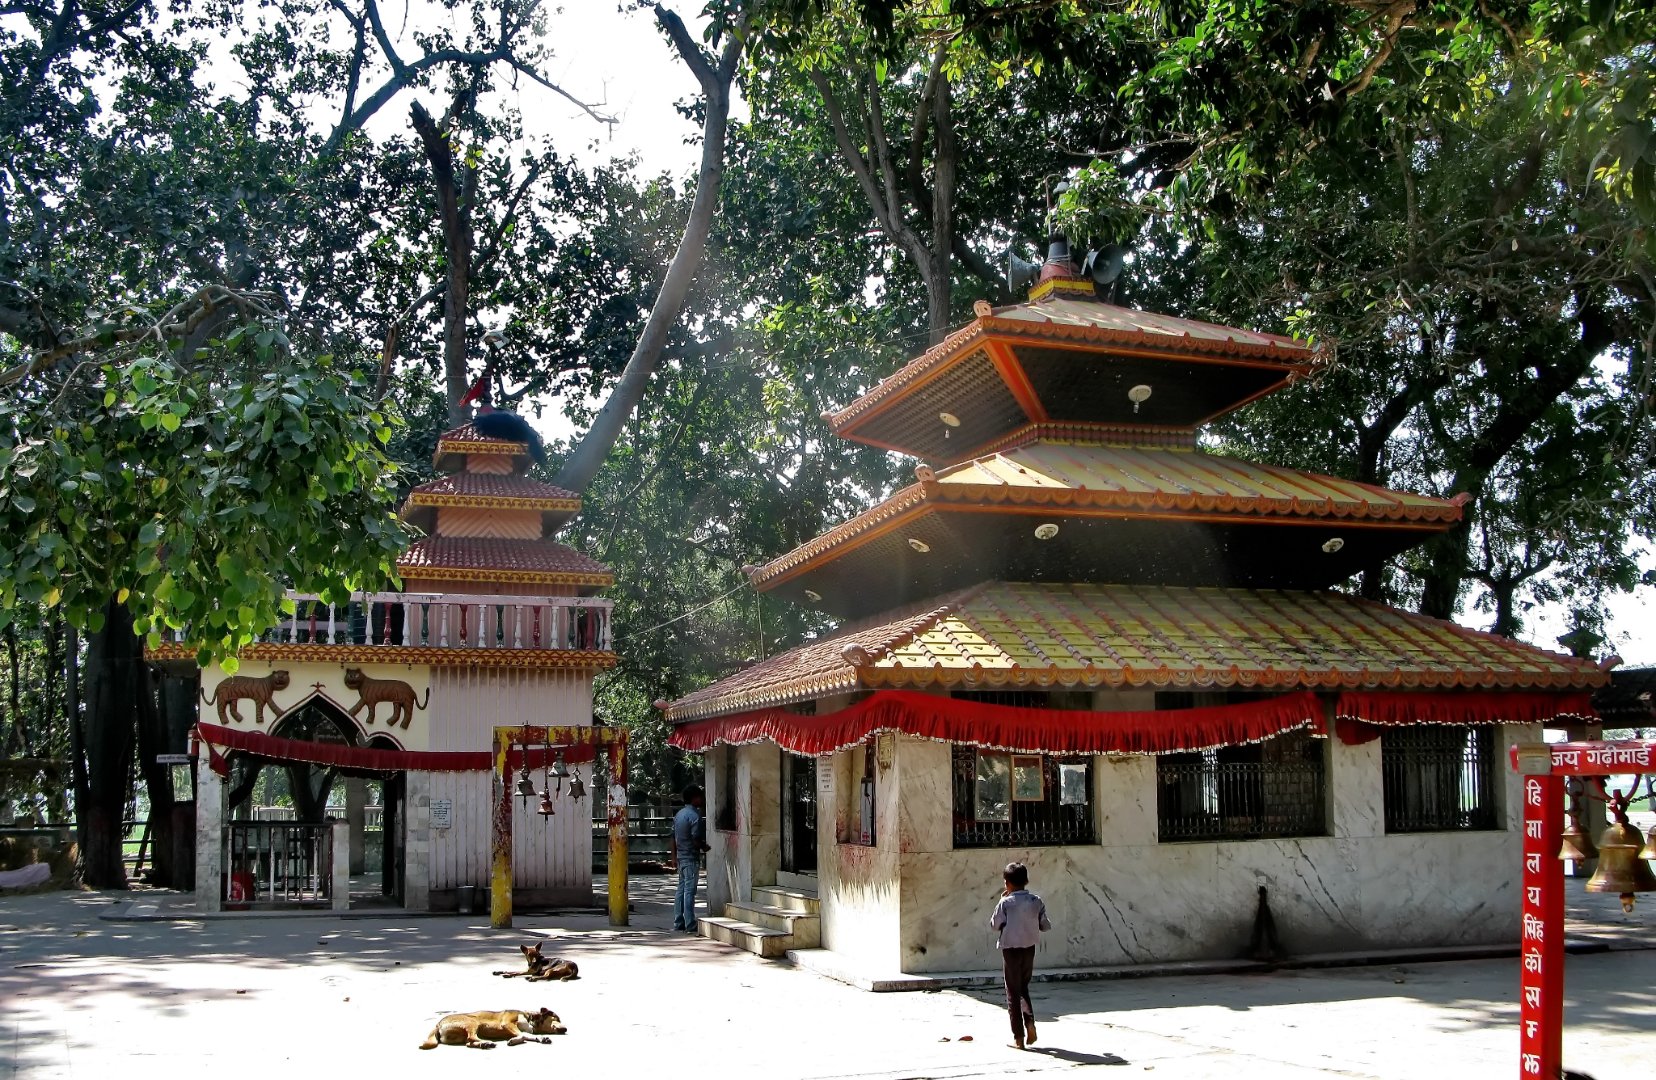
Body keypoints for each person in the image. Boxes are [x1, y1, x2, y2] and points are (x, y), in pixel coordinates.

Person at [989, 861, 1051, 1049]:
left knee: (1012, 992)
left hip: (1010, 950)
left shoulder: (1005, 903)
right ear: (1026, 881)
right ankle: (1029, 1021)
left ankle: (1018, 1037)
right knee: (1023, 987)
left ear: (1006, 883)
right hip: (1029, 949)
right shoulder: (1036, 901)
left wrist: (1002, 900)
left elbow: (994, 925)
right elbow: (1046, 925)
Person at [672, 784, 710, 932]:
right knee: (689, 890)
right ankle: (690, 922)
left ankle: (678, 921)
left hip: (682, 855)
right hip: (690, 856)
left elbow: (672, 836)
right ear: (695, 798)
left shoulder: (679, 814)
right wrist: (703, 847)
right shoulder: (695, 816)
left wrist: (674, 856)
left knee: (681, 889)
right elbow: (695, 838)